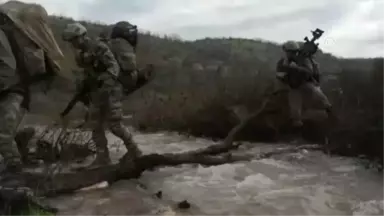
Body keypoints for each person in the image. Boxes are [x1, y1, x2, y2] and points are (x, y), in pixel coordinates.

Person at [61, 22, 142, 167]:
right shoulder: (80, 54)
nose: (73, 44)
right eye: (71, 41)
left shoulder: (98, 47)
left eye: (74, 39)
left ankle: (135, 151)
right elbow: (89, 71)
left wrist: (106, 87)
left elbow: (114, 67)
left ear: (82, 36)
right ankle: (102, 157)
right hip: (98, 90)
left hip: (112, 88)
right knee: (95, 124)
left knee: (115, 124)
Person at [0, 1, 64, 171]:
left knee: (3, 135)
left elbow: (8, 67)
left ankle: (17, 172)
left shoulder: (3, 35)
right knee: (6, 132)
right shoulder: (8, 34)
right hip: (16, 90)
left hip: (12, 90)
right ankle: (22, 148)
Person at [276, 40, 336, 132]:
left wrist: (296, 68)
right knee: (295, 111)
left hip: (306, 83)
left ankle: (331, 113)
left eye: (293, 52)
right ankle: (298, 129)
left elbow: (309, 71)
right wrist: (284, 76)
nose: (291, 54)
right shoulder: (282, 62)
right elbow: (279, 74)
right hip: (293, 86)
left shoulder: (303, 59)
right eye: (289, 51)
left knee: (320, 97)